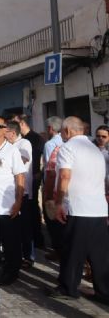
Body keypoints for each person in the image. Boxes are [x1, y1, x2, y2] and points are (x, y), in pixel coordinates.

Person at [48, 116, 109, 303]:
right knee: (100, 255)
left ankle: (68, 287)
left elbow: (65, 175)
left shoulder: (68, 148)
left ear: (67, 131)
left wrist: (59, 203)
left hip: (78, 208)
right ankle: (104, 292)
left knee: (73, 251)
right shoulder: (96, 150)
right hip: (98, 209)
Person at [0, 117, 26, 285]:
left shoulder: (12, 151)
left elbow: (20, 177)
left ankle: (11, 272)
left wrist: (18, 202)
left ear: (5, 130)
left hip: (6, 207)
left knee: (11, 243)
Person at [5, 120, 35, 268]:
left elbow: (24, 159)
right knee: (14, 228)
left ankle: (29, 256)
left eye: (5, 132)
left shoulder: (24, 143)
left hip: (23, 191)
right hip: (10, 193)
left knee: (25, 227)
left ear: (12, 132)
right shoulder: (7, 146)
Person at [13, 114, 45, 249]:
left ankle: (37, 240)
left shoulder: (35, 138)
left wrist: (39, 173)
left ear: (21, 124)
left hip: (32, 178)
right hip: (24, 179)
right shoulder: (20, 140)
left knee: (33, 209)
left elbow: (38, 157)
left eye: (14, 124)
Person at [42, 116, 64, 260]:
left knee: (52, 221)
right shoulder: (66, 141)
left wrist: (46, 193)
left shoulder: (50, 144)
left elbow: (50, 168)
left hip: (53, 187)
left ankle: (58, 250)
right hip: (63, 186)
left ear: (50, 128)